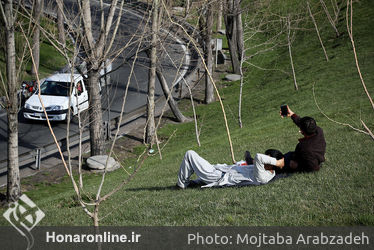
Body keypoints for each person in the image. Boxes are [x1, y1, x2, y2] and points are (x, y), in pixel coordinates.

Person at [177, 149, 284, 189]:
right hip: (220, 170)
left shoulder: (263, 176)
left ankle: (182, 185)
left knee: (190, 154)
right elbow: (250, 164)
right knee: (193, 168)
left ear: (272, 164)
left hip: (216, 177)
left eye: (268, 159)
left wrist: (278, 162)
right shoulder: (265, 170)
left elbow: (258, 157)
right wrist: (239, 163)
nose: (265, 160)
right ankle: (189, 182)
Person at [279, 105, 326, 172]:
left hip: (302, 162)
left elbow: (314, 168)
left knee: (280, 163)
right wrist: (292, 114)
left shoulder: (304, 147)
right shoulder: (318, 131)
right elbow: (302, 123)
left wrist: (297, 166)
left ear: (302, 131)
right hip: (312, 156)